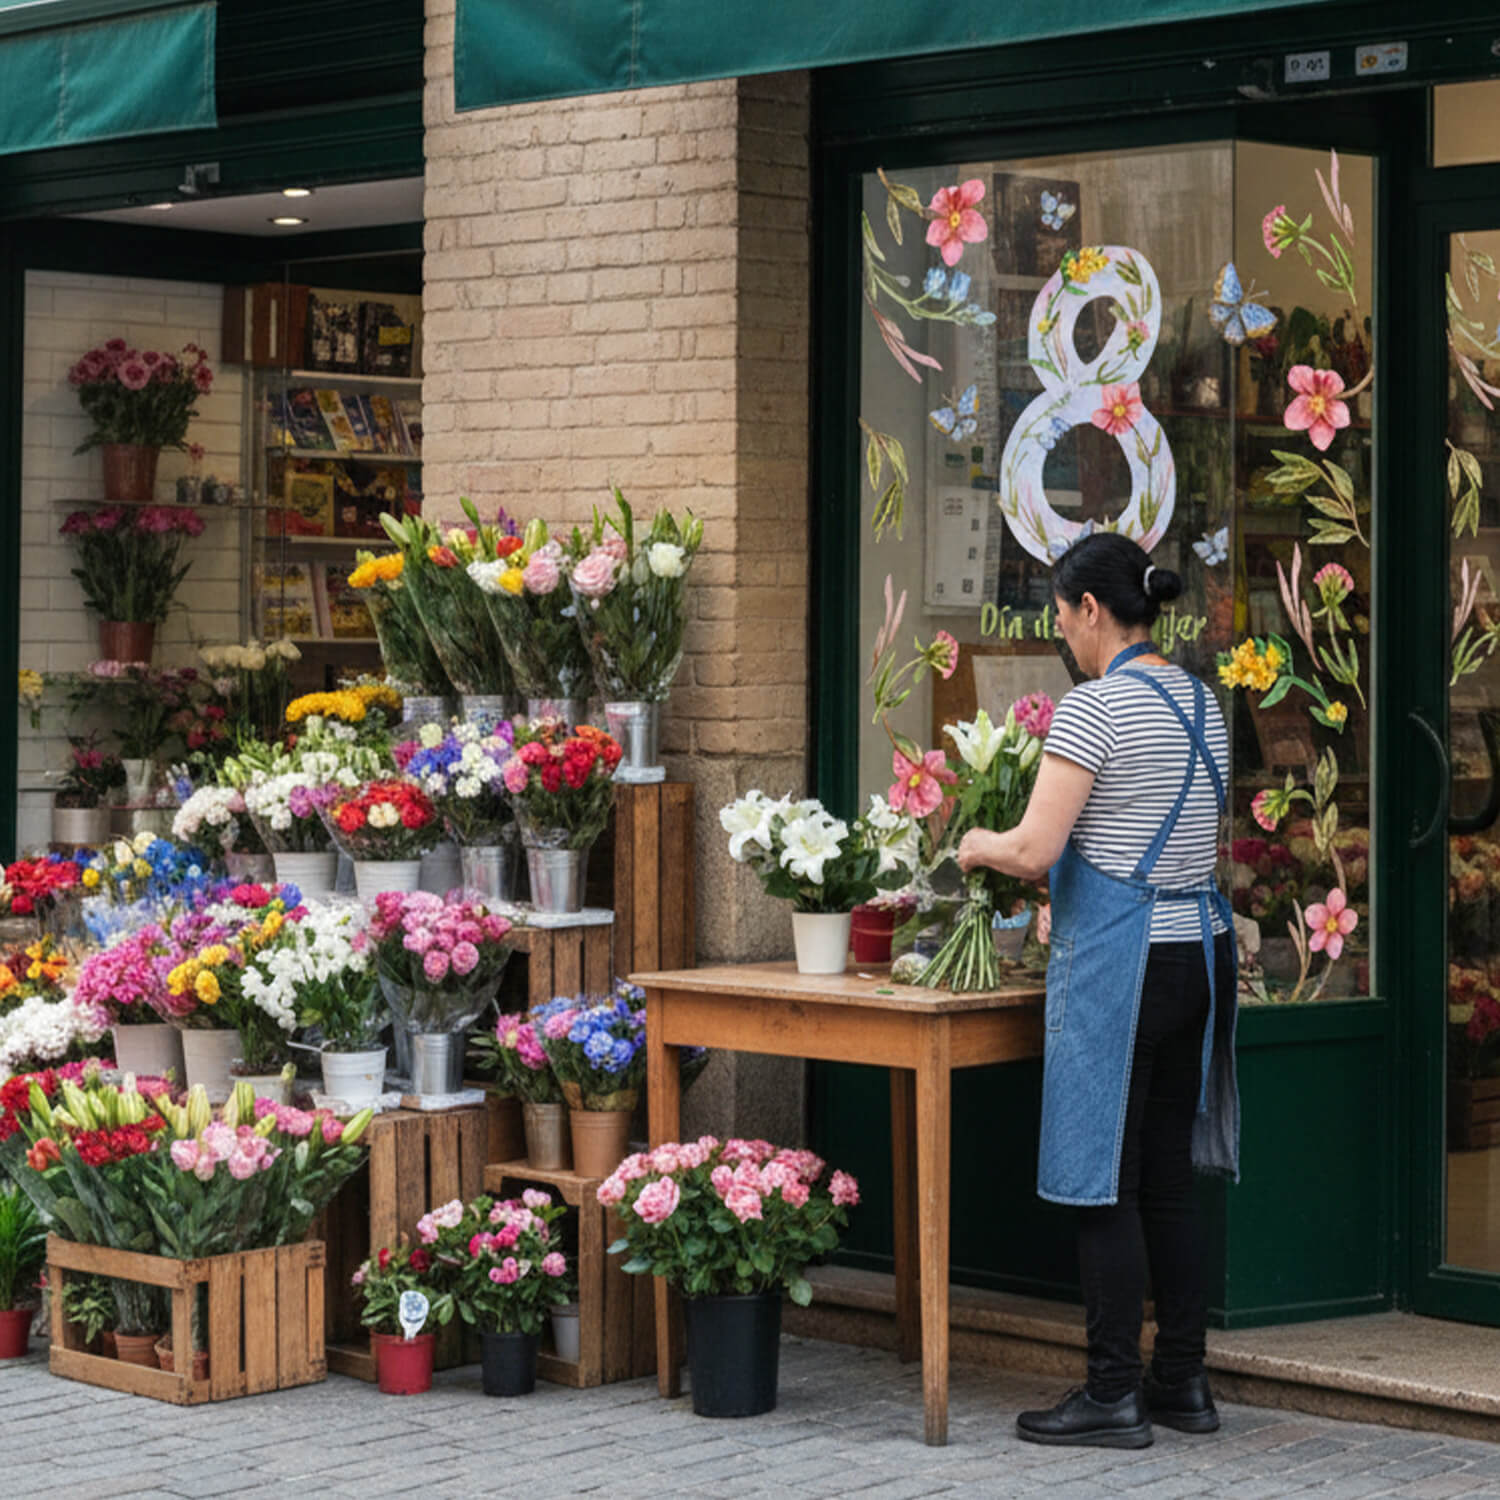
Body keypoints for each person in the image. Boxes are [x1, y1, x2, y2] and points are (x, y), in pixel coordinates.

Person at [957, 531, 1239, 1450]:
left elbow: (1036, 851)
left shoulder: (1095, 709)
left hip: (1123, 965)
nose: (1061, 635)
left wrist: (976, 846)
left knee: (1099, 1183)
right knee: (1165, 1180)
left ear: (1090, 610)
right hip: (1199, 953)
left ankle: (1113, 1391)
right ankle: (1184, 1383)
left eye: (1062, 615)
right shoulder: (1203, 703)